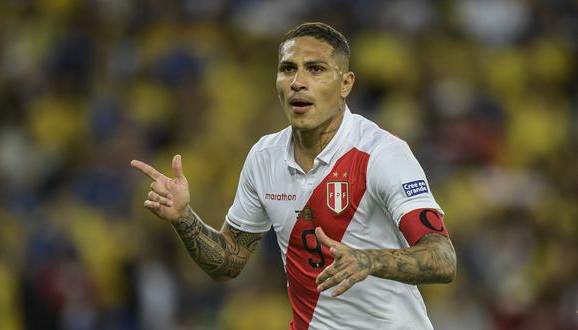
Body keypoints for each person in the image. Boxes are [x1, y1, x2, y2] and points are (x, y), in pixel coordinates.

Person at [131, 22, 456, 330]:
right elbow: (229, 262)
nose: (298, 81)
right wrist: (184, 219)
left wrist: (370, 260)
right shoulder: (264, 157)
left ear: (346, 84)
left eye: (315, 69)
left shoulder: (381, 155)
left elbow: (443, 258)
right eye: (288, 68)